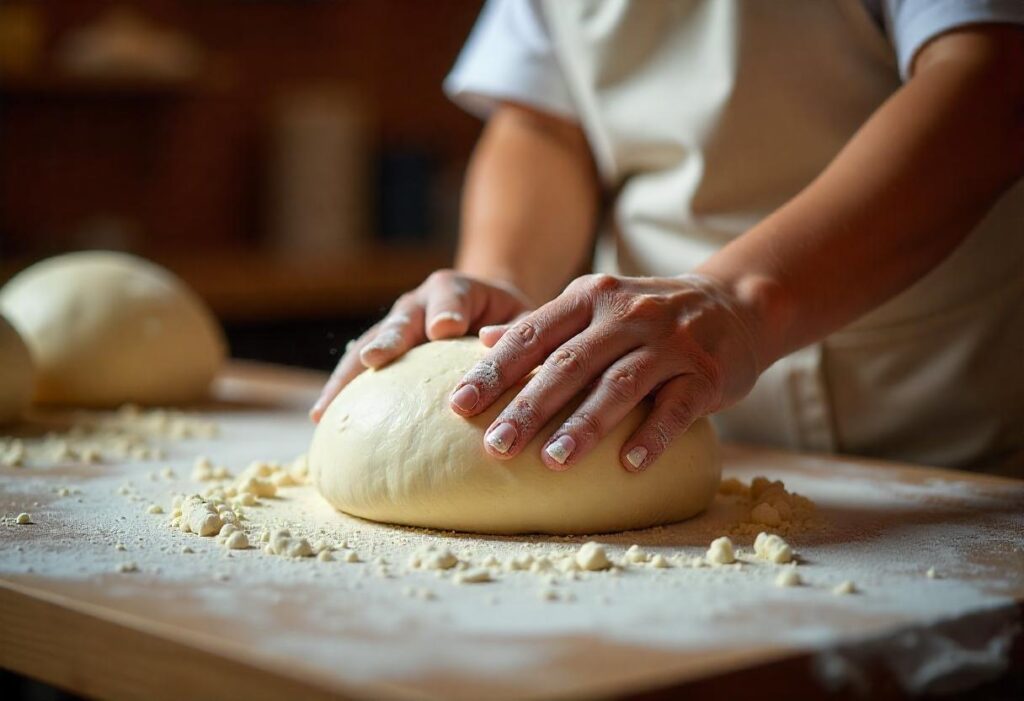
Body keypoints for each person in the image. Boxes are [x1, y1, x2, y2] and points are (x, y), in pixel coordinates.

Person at [312, 0, 1024, 474]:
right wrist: (503, 283)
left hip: (935, 420)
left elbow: (991, 79)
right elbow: (542, 122)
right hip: (637, 406)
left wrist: (739, 300)